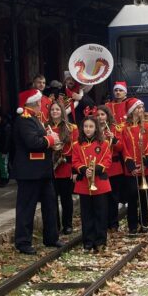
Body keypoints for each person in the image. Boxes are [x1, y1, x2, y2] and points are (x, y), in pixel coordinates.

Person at [11, 89, 63, 254]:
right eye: (41, 102)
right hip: (29, 172)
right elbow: (32, 142)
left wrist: (50, 143)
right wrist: (50, 140)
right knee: (27, 208)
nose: (44, 105)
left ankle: (51, 237)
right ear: (34, 103)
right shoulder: (24, 119)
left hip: (42, 170)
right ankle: (23, 242)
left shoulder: (35, 118)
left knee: (50, 204)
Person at [72, 111, 113, 252]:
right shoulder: (77, 145)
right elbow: (75, 161)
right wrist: (84, 170)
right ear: (82, 128)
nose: (88, 129)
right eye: (85, 126)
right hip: (84, 185)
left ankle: (101, 241)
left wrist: (95, 169)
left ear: (96, 128)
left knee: (101, 214)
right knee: (86, 214)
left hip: (100, 184)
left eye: (91, 126)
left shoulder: (104, 143)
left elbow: (107, 160)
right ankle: (88, 242)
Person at [119, 98, 148, 234]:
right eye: (138, 108)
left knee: (144, 196)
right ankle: (132, 225)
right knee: (132, 195)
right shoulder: (124, 128)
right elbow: (124, 148)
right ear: (132, 111)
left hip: (145, 167)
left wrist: (145, 163)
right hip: (131, 168)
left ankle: (145, 222)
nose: (141, 110)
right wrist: (131, 165)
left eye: (142, 107)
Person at [47, 101, 77, 234]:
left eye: (57, 110)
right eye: (52, 110)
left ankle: (67, 224)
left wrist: (75, 169)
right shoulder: (44, 127)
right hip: (50, 169)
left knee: (66, 199)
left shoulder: (71, 128)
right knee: (51, 199)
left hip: (65, 167)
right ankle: (55, 226)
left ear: (62, 111)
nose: (55, 112)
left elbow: (76, 150)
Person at [95, 105, 125, 232]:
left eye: (103, 114)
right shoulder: (94, 129)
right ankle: (103, 222)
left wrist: (114, 139)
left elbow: (121, 147)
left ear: (107, 116)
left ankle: (113, 223)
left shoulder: (114, 128)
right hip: (100, 166)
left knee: (113, 197)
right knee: (102, 197)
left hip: (114, 167)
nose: (100, 117)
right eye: (98, 115)